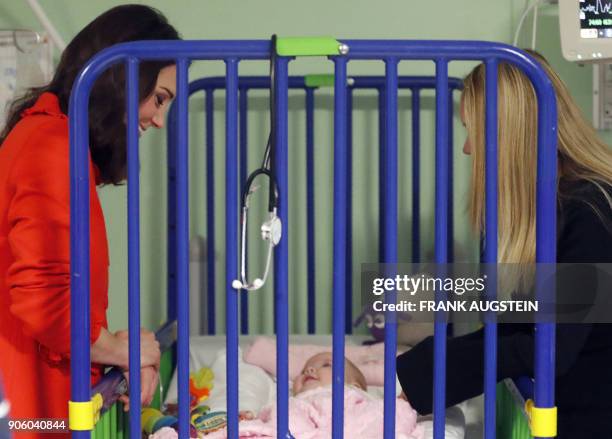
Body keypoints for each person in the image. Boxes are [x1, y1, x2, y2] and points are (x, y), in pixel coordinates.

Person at [396, 51, 612, 438]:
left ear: (505, 134)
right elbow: (520, 326)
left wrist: (422, 372)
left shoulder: (590, 212)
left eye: (470, 131)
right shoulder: (554, 205)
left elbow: (550, 348)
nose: (466, 149)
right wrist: (413, 371)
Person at [0, 4, 180, 434]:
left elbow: (57, 291)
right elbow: (42, 298)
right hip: (21, 401)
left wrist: (109, 348)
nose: (158, 120)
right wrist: (120, 354)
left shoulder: (56, 142)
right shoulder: (50, 146)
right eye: (158, 99)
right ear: (123, 79)